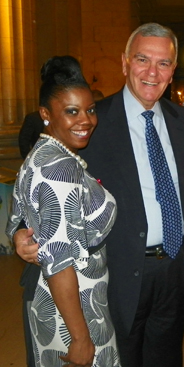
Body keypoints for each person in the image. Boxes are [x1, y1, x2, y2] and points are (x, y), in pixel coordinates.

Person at [14, 23, 184, 367]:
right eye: (143, 59)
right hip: (115, 276)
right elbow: (44, 182)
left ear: (173, 71)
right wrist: (19, 233)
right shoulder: (90, 122)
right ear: (125, 62)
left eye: (163, 63)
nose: (152, 72)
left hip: (174, 271)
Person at [6, 56, 119, 366]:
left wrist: (18, 235)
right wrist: (80, 337)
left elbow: (19, 214)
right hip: (72, 305)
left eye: (90, 110)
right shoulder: (60, 167)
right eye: (71, 112)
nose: (86, 120)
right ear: (46, 114)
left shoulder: (43, 153)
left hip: (61, 298)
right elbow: (58, 260)